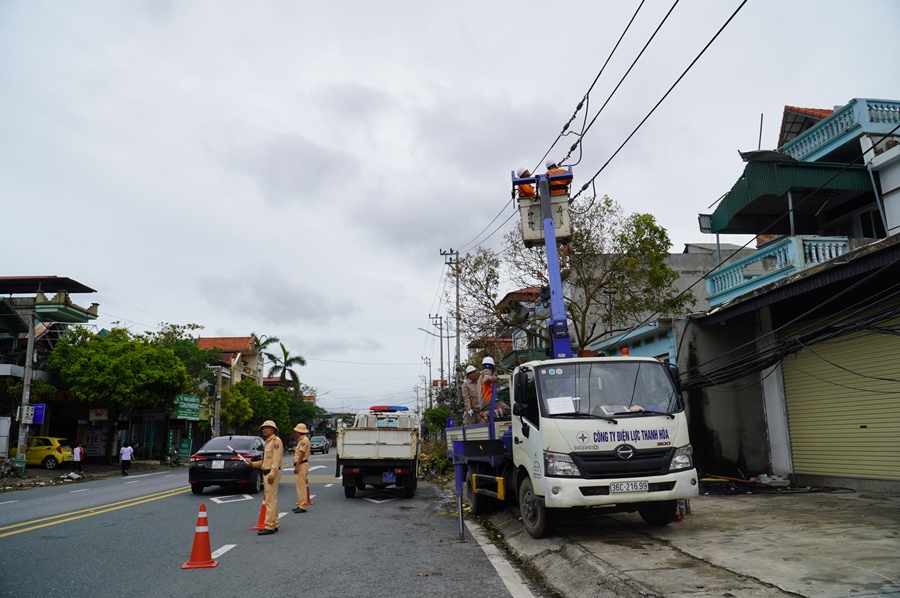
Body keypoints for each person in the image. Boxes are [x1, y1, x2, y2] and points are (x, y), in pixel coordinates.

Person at [250, 420, 284, 535]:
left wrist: (272, 474)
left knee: (270, 500)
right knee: (271, 499)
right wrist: (252, 464)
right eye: (263, 428)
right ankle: (273, 523)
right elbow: (265, 461)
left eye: (268, 428)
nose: (265, 430)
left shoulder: (276, 442)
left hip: (270, 473)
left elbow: (276, 460)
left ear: (273, 430)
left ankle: (269, 526)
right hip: (266, 472)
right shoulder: (268, 442)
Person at [291, 423, 310, 514]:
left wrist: (297, 466)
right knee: (300, 486)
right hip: (302, 464)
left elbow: (301, 454)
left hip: (302, 464)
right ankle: (301, 504)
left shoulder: (303, 441)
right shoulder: (303, 440)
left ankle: (302, 506)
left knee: (301, 487)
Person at [479, 356, 500, 422]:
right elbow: (486, 379)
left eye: (488, 366)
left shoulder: (481, 376)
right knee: (507, 409)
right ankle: (487, 413)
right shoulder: (486, 372)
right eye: (486, 366)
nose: (487, 368)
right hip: (489, 401)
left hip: (485, 403)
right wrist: (492, 378)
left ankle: (487, 414)